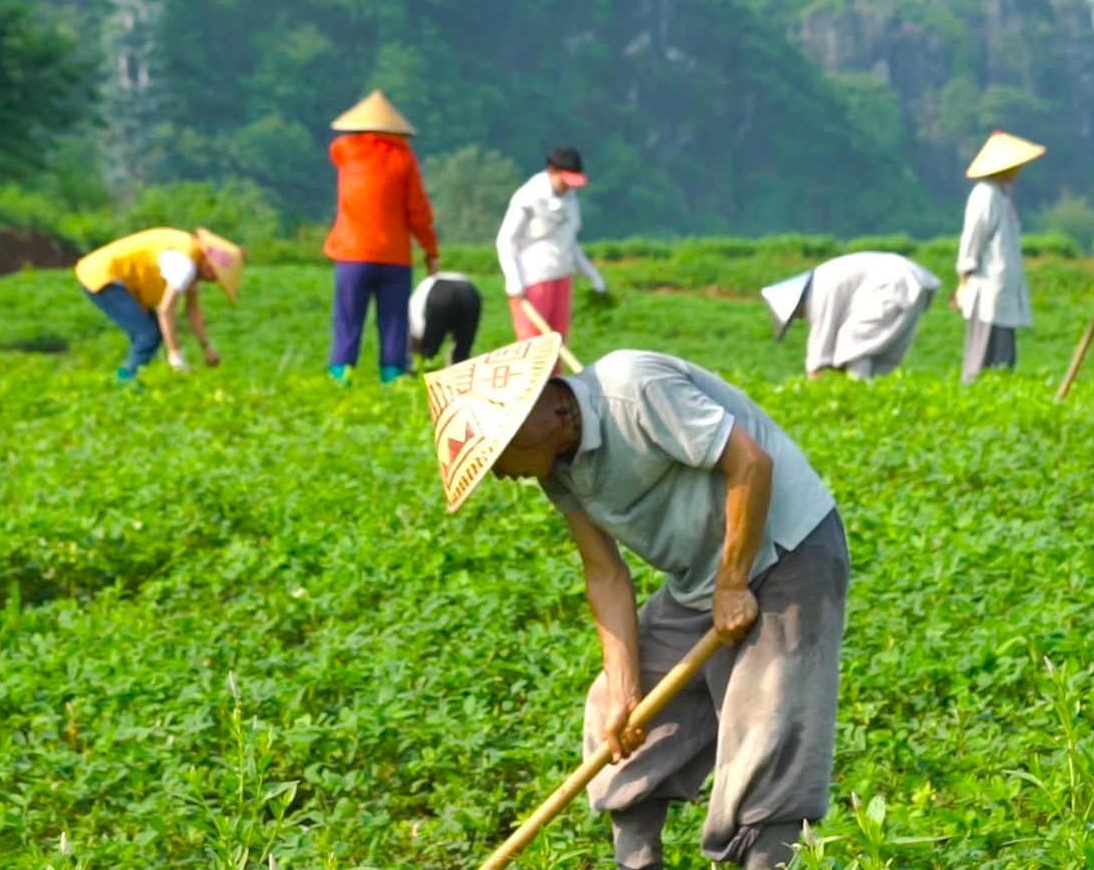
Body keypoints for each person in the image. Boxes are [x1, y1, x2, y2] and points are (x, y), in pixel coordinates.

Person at [423, 334, 848, 870]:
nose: (502, 475)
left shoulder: (633, 387)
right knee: (613, 710)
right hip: (705, 579)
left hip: (788, 552)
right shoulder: (556, 468)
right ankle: (637, 862)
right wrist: (627, 688)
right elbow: (604, 573)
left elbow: (750, 466)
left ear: (542, 416)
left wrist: (734, 582)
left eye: (498, 458)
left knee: (768, 728)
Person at [324, 90, 439, 385]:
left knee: (348, 318)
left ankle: (341, 373)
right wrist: (430, 250)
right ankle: (392, 374)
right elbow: (418, 211)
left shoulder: (346, 151)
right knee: (394, 319)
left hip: (353, 254)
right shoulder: (403, 159)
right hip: (395, 256)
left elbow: (335, 148)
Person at [74, 227, 243, 380]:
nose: (212, 278)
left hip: (119, 280)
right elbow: (166, 310)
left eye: (217, 277)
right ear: (207, 259)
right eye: (213, 272)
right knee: (148, 335)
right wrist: (175, 356)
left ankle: (129, 376)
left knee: (148, 335)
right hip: (103, 277)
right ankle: (124, 381)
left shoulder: (193, 257)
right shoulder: (185, 265)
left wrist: (207, 348)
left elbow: (193, 311)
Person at [953, 130, 1044, 384]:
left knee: (1004, 354)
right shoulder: (985, 195)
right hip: (987, 285)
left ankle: (997, 390)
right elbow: (972, 239)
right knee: (983, 352)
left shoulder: (1002, 196)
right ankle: (975, 392)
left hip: (1002, 285)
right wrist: (964, 279)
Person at [763, 251, 941, 380]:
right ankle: (877, 391)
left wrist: (811, 382)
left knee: (852, 338)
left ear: (797, 305)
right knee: (879, 354)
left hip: (894, 285)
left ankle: (858, 391)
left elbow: (821, 345)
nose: (800, 319)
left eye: (795, 316)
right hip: (912, 282)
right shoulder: (823, 277)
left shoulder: (818, 293)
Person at [496, 147, 606, 343]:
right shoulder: (528, 197)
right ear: (552, 171)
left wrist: (593, 276)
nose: (567, 187)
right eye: (564, 181)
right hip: (532, 280)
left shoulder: (570, 198)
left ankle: (555, 375)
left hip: (562, 276)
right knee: (534, 346)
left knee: (557, 343)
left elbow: (569, 242)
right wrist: (513, 280)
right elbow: (506, 240)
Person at [408, 271, 481, 369]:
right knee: (462, 356)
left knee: (427, 355)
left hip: (440, 293)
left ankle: (423, 375)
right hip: (470, 292)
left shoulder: (410, 321)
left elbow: (417, 336)